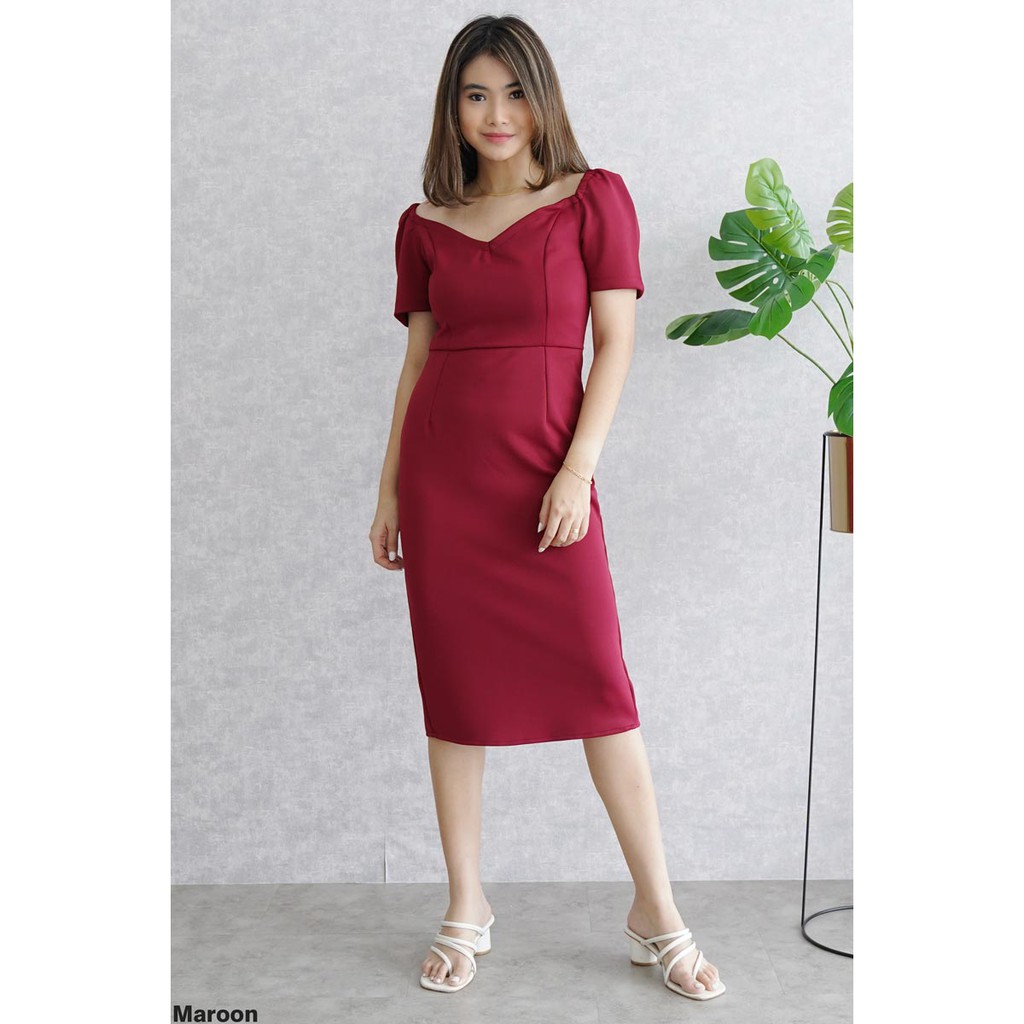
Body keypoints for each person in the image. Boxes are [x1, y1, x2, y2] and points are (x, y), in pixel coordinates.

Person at [369, 14, 725, 1002]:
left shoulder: (591, 199)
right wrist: (389, 488)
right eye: (476, 94)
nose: (497, 114)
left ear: (543, 98)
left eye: (515, 92)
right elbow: (417, 361)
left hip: (545, 476)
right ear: (453, 107)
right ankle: (466, 902)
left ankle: (656, 907)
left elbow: (616, 342)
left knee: (601, 689)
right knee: (456, 697)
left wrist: (577, 471)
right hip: (443, 483)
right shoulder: (424, 224)